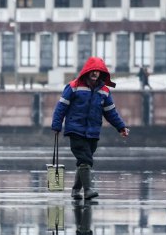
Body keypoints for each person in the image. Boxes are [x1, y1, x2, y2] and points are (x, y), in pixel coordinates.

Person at [51, 56, 129, 199]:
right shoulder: (73, 86)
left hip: (93, 132)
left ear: (101, 73)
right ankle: (88, 191)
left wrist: (121, 127)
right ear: (87, 71)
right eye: (93, 70)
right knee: (85, 160)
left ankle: (75, 190)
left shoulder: (104, 91)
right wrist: (56, 125)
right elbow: (61, 107)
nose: (95, 73)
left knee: (84, 161)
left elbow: (110, 112)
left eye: (98, 71)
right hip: (75, 130)